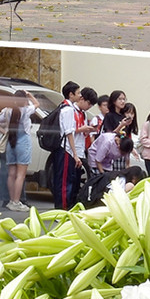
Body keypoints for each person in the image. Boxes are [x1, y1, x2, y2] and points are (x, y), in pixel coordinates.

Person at [0, 90, 38, 212]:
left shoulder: (7, 111)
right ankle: (17, 202)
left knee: (11, 173)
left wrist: (5, 132)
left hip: (10, 142)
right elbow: (37, 104)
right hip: (23, 143)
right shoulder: (26, 110)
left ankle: (11, 200)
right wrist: (30, 95)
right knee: (20, 175)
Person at [50, 81, 93, 209]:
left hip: (68, 149)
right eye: (78, 93)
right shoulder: (68, 109)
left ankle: (66, 207)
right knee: (64, 182)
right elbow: (69, 132)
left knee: (69, 181)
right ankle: (61, 209)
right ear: (71, 94)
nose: (80, 96)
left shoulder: (67, 107)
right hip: (66, 150)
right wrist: (75, 154)